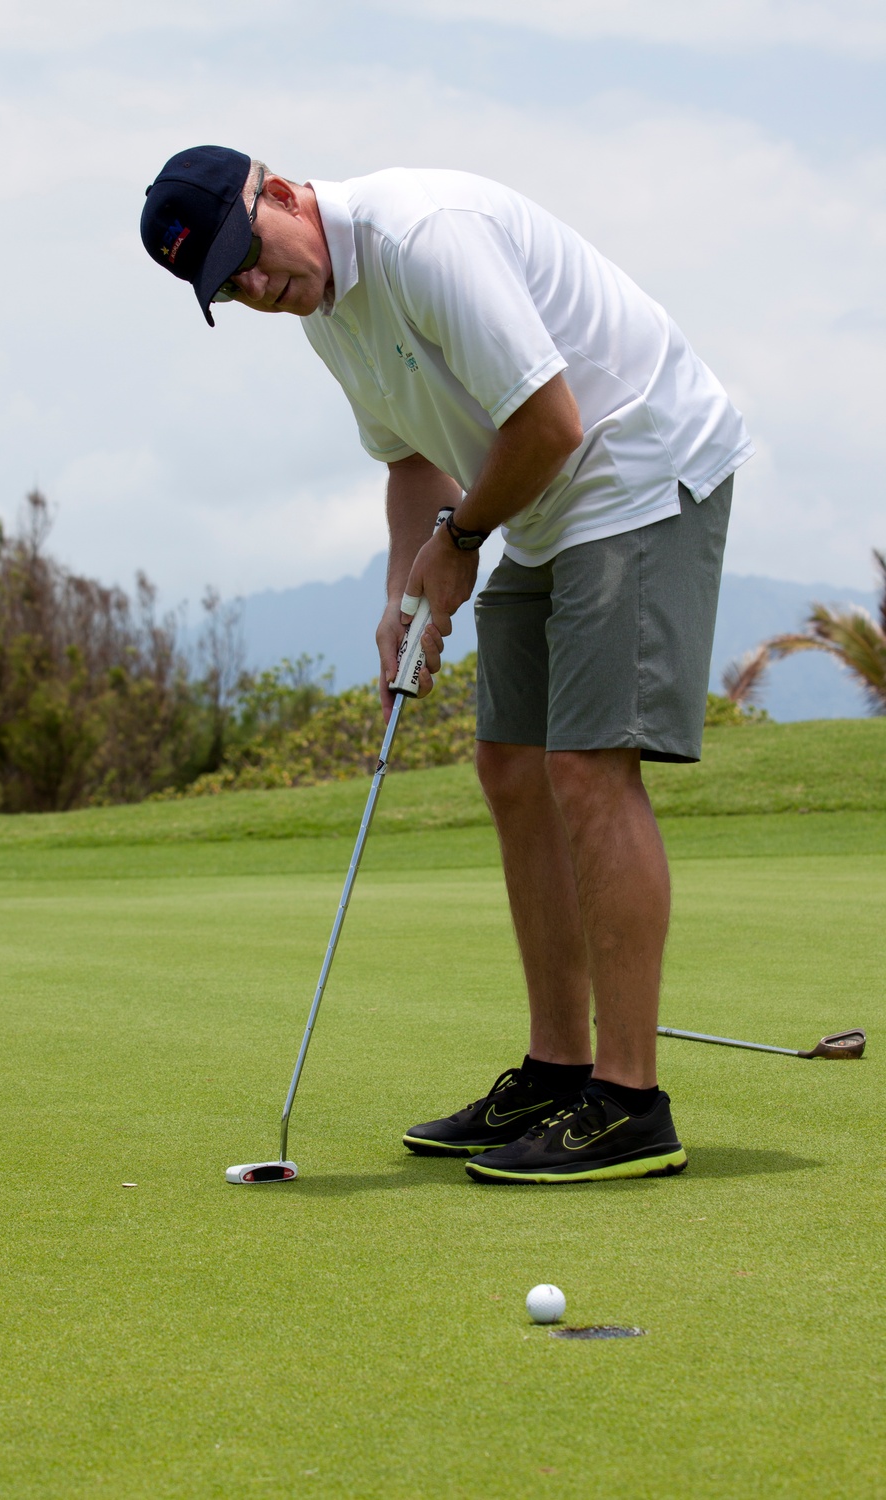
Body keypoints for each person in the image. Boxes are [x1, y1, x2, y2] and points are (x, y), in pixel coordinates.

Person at [140, 146, 753, 1184]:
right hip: (542, 497)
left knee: (587, 765)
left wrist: (458, 543)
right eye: (229, 287)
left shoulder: (421, 237)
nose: (255, 288)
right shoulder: (324, 311)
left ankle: (629, 1100)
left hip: (638, 460)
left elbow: (549, 421)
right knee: (509, 764)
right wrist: (403, 595)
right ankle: (558, 1070)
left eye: (250, 255)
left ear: (282, 193)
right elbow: (409, 460)